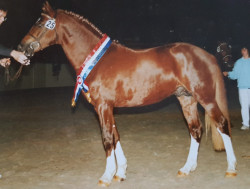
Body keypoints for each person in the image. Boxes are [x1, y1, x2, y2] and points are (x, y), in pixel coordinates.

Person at [223, 47, 250, 130]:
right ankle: (246, 124)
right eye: (242, 49)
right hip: (242, 88)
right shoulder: (239, 62)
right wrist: (228, 73)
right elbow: (235, 74)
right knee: (244, 106)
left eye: (245, 49)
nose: (243, 51)